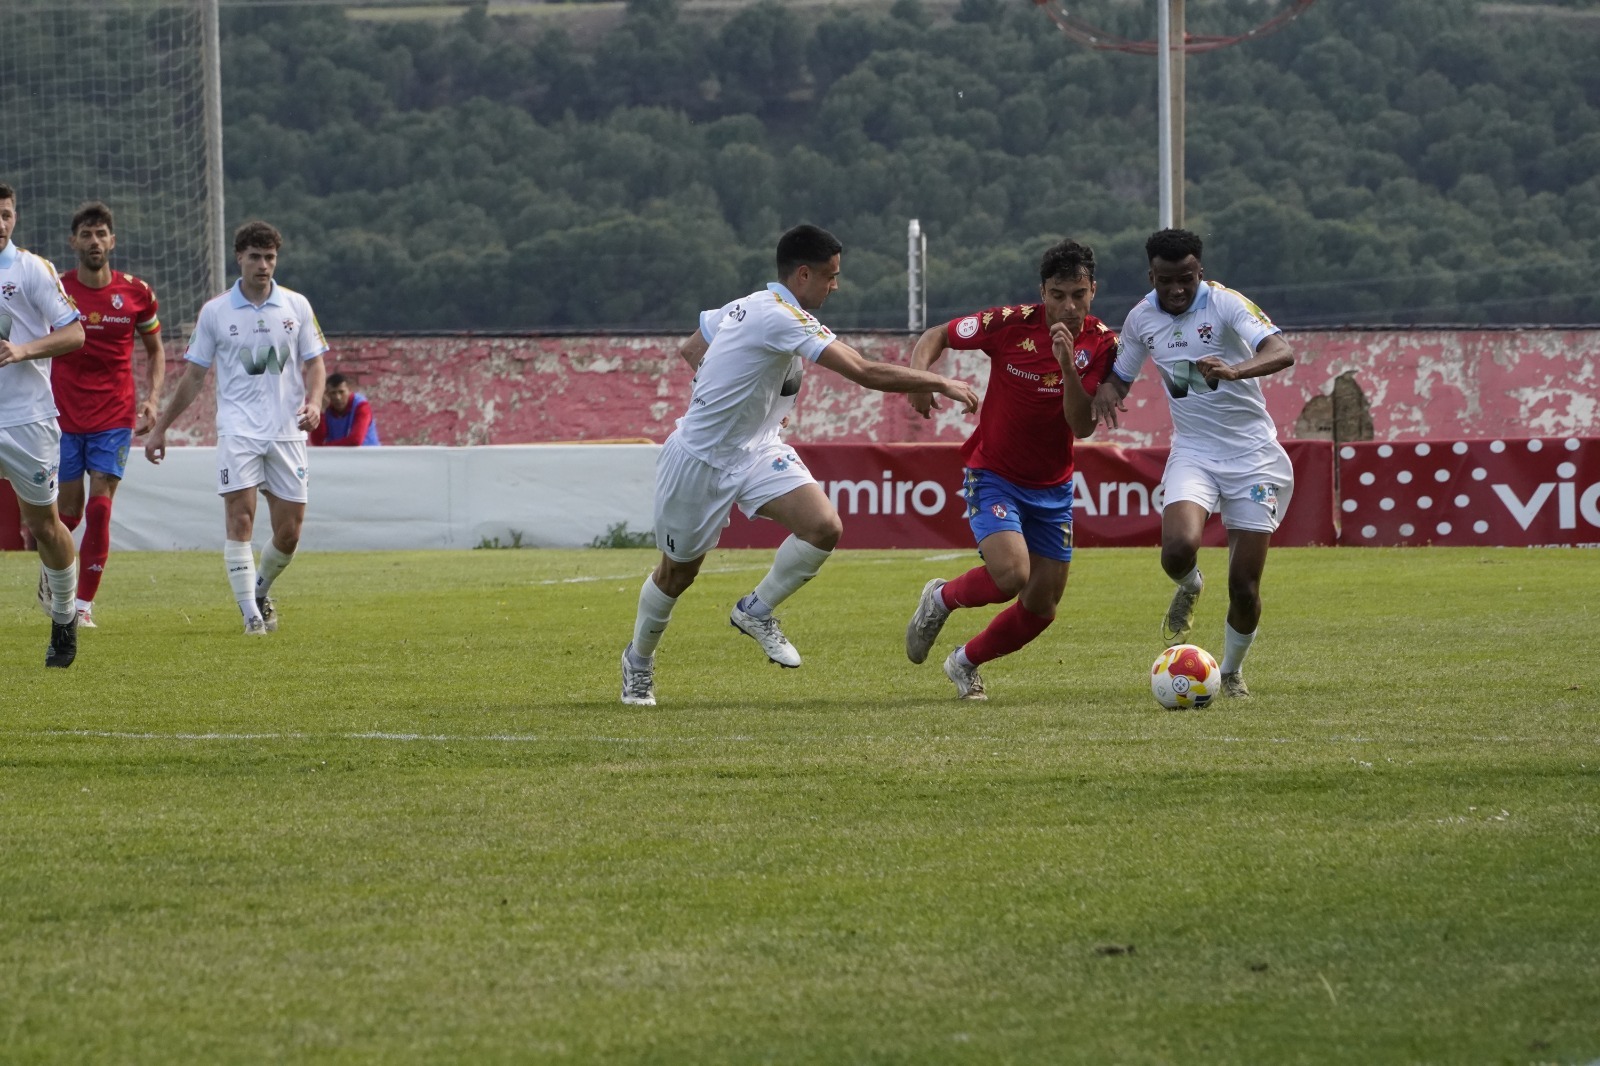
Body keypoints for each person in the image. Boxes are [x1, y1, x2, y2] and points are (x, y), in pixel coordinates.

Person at [620, 223, 980, 706]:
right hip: (699, 459)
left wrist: (745, 405)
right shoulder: (780, 316)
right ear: (804, 275)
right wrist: (939, 382)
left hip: (757, 449)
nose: (836, 285)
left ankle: (755, 610)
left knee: (823, 527)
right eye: (831, 276)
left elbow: (692, 348)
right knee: (677, 575)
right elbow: (863, 371)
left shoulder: (749, 304)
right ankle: (638, 662)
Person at [902, 239, 1118, 699]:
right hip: (995, 475)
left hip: (1054, 487)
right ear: (1043, 292)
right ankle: (940, 598)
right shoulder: (1009, 323)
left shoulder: (1102, 343)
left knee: (1042, 606)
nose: (1069, 306)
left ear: (1093, 291)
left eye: (1078, 295)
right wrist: (920, 380)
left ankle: (964, 662)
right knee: (1011, 576)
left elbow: (1081, 427)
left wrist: (1067, 366)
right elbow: (936, 335)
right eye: (1058, 295)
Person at [1091, 228, 1297, 699]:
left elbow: (1281, 351)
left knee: (1244, 585)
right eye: (1166, 280)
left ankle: (1230, 672)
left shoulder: (1225, 304)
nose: (1177, 289)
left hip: (1253, 456)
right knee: (1177, 549)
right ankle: (1189, 585)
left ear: (1199, 271)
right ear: (1151, 276)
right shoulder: (1141, 318)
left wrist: (1235, 369)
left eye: (1186, 278)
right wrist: (1105, 392)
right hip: (1194, 451)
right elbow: (1121, 377)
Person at [144, 220, 328, 635]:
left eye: (270, 258)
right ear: (239, 258)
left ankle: (259, 592)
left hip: (287, 431)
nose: (263, 265)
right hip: (238, 431)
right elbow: (194, 376)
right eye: (255, 257)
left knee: (290, 533)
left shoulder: (296, 306)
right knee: (240, 520)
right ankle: (251, 618)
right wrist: (161, 428)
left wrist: (315, 403)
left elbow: (315, 363)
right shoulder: (216, 311)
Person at [52, 201, 165, 628]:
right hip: (63, 416)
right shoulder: (56, 290)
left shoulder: (137, 293)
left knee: (100, 508)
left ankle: (82, 605)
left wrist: (152, 400)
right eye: (86, 234)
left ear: (112, 241)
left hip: (114, 417)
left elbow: (156, 351)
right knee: (67, 515)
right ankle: (54, 576)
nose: (94, 241)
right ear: (73, 242)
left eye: (101, 234)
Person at [0, 182, 89, 667]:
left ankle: (64, 615)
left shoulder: (31, 269)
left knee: (44, 526)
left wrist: (22, 350)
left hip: (26, 419)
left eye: (6, 214)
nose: (0, 224)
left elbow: (75, 333)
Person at [310, 373, 379, 446]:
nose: (338, 397)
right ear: (327, 394)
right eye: (333, 393)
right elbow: (316, 442)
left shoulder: (361, 406)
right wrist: (321, 412)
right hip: (338, 453)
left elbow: (356, 440)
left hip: (366, 452)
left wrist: (325, 446)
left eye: (341, 392)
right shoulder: (326, 407)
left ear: (349, 390)